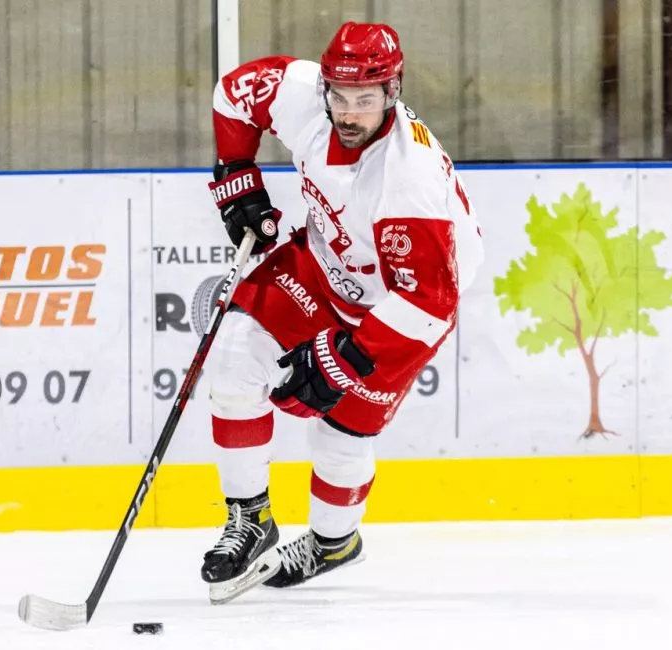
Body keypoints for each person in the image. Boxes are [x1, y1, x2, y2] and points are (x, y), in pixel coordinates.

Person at [199, 21, 484, 601]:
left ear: (393, 91)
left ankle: (334, 544)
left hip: (400, 312)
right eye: (340, 97)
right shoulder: (305, 95)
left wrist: (340, 358)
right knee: (231, 361)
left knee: (339, 438)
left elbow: (429, 303)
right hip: (323, 263)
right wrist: (237, 176)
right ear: (325, 85)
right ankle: (250, 518)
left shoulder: (408, 183)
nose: (350, 113)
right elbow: (233, 93)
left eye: (366, 100)